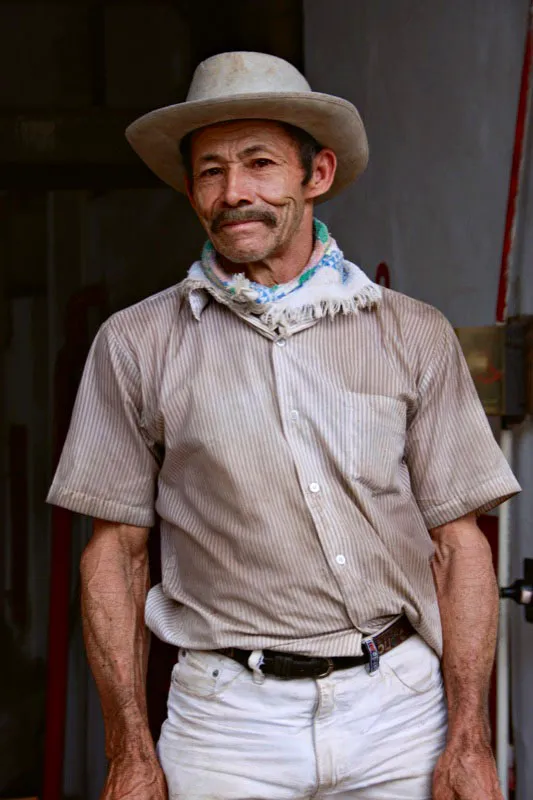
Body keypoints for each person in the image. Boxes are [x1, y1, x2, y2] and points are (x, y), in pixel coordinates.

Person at [47, 51, 520, 800]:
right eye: (209, 171)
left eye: (260, 163)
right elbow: (115, 555)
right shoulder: (136, 342)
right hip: (224, 720)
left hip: (396, 710)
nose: (235, 193)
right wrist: (127, 751)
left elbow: (458, 547)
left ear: (317, 175)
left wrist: (468, 737)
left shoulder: (409, 333)